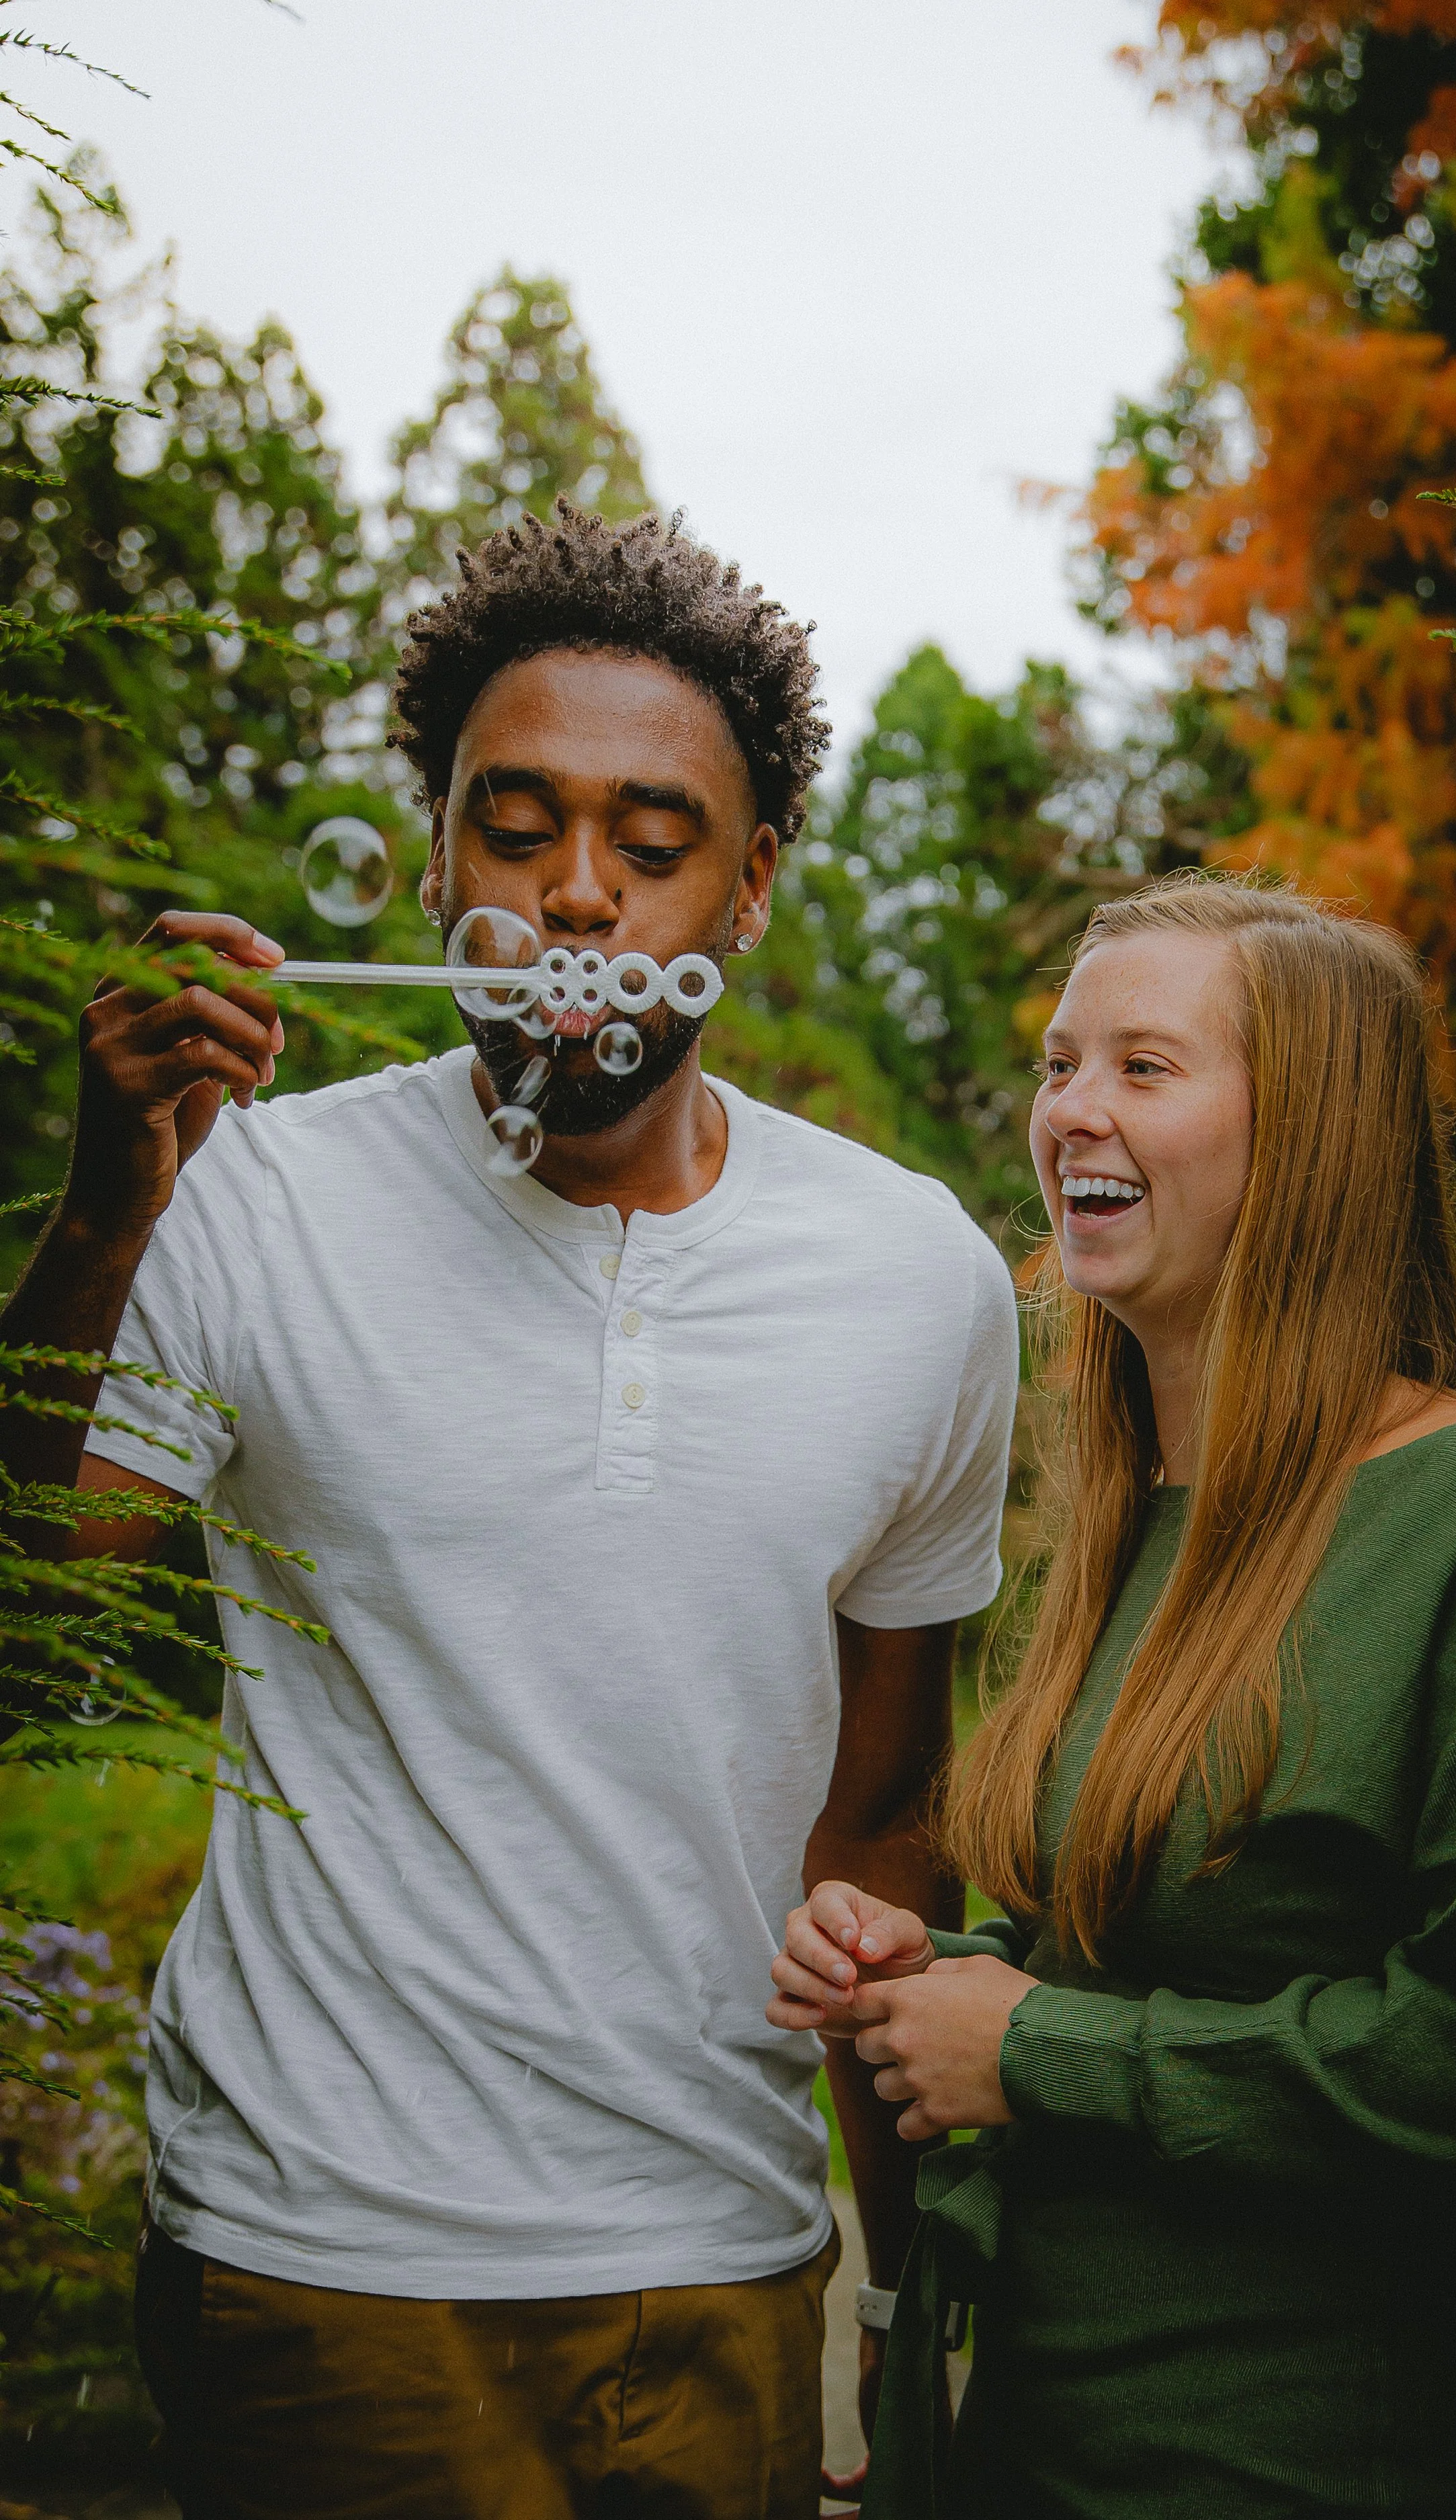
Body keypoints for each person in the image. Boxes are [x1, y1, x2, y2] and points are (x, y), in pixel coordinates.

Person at [4, 505, 1020, 2519]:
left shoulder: (917, 1279)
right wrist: (110, 1201)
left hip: (722, 2255)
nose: (578, 896)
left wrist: (899, 2268)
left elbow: (878, 1827)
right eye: (515, 825)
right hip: (319, 2257)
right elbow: (41, 1602)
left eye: (651, 847)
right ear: (441, 853)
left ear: (748, 885)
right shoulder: (247, 1197)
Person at [769, 873, 1456, 2520]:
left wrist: (1040, 2050)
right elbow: (1125, 1962)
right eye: (1057, 1064)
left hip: (1294, 2464)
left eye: (1142, 1067)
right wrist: (939, 1980)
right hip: (1032, 2444)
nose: (1070, 1113)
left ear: (1308, 1131)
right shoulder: (1117, 1515)